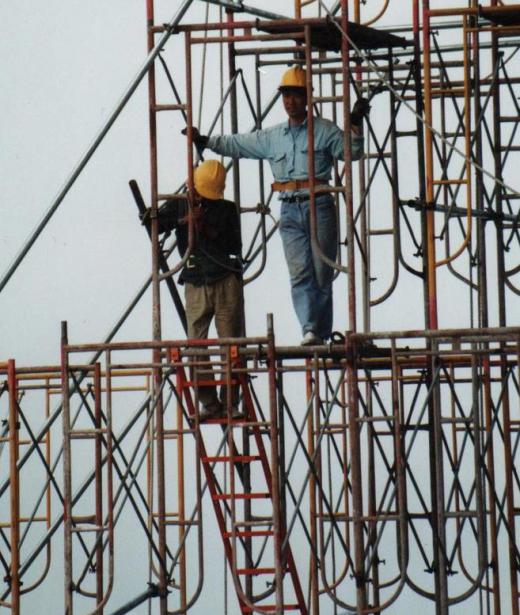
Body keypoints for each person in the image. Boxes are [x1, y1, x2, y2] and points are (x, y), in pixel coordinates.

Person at [185, 65, 369, 346]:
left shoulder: (324, 131)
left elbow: (352, 152)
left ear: (306, 97)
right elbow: (239, 144)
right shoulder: (273, 136)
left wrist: (354, 125)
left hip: (318, 204)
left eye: (295, 95)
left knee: (322, 270)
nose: (289, 101)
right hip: (289, 207)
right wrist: (206, 141)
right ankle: (310, 329)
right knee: (300, 272)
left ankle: (319, 331)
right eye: (286, 95)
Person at [145, 159, 244, 420]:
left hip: (224, 279)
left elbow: (234, 244)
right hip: (195, 279)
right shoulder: (181, 202)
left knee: (231, 344)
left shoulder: (226, 209)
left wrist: (205, 228)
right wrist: (181, 219)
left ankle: (231, 400)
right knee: (196, 345)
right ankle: (209, 402)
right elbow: (157, 223)